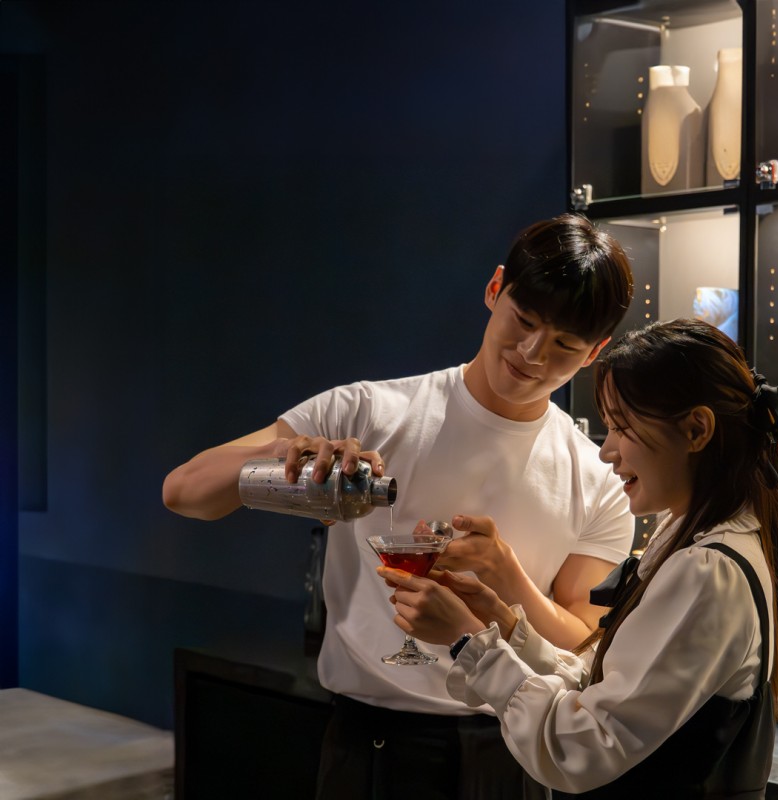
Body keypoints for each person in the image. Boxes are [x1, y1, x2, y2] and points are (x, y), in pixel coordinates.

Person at [162, 213, 636, 800]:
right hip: (371, 743)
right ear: (495, 289)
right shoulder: (365, 413)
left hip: (515, 746)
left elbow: (583, 645)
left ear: (595, 353)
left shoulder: (599, 477)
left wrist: (507, 574)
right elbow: (183, 491)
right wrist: (283, 454)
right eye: (525, 320)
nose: (533, 353)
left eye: (564, 344)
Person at [379, 318, 778, 798]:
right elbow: (603, 686)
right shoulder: (693, 540)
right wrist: (504, 626)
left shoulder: (708, 570)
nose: (607, 451)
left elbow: (582, 746)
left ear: (696, 429)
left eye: (622, 427)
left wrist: (467, 641)